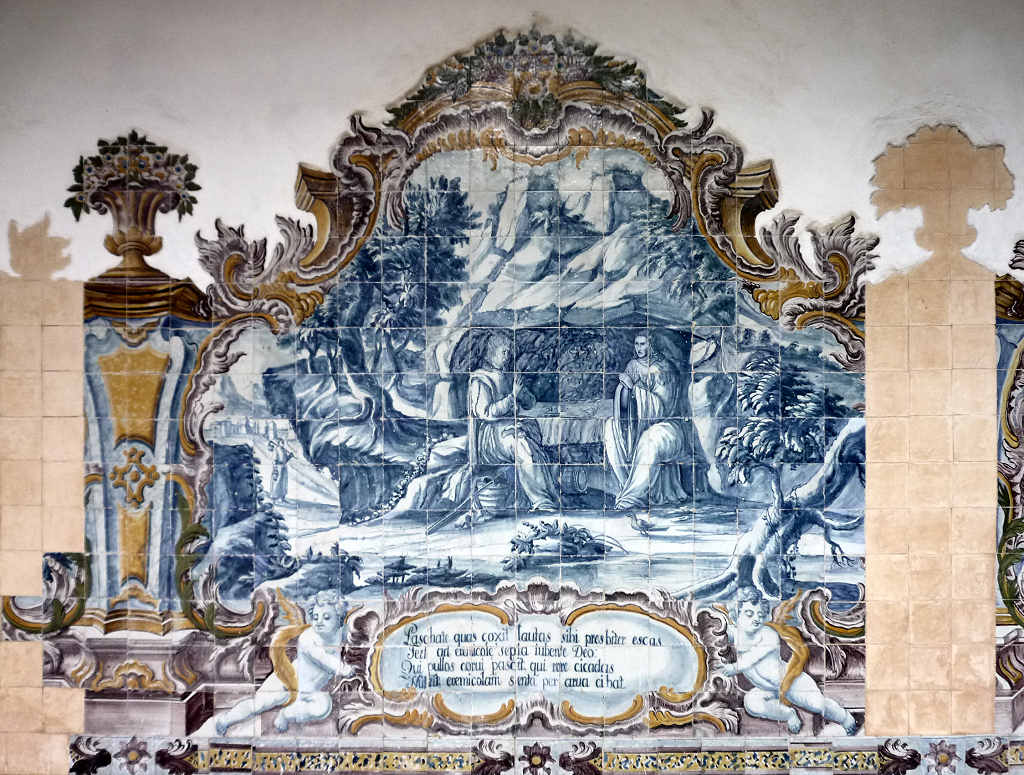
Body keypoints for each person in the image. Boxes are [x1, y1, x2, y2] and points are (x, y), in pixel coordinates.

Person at [721, 587, 858, 735]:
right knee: (751, 703)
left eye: (760, 614)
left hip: (791, 681)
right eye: (749, 613)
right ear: (736, 615)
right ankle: (789, 714)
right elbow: (719, 631)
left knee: (817, 704)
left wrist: (734, 667)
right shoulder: (736, 634)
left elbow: (753, 657)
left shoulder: (767, 634)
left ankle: (845, 718)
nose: (756, 618)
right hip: (767, 689)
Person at [214, 590, 352, 734]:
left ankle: (286, 715)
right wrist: (343, 668)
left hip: (310, 691)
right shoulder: (307, 638)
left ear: (339, 619)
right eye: (315, 617)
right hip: (285, 682)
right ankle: (226, 720)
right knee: (259, 704)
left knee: (323, 707)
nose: (319, 622)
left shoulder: (339, 633)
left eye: (327, 617)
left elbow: (353, 632)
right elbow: (323, 658)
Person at [467, 331, 558, 512]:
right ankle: (541, 501)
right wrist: (512, 397)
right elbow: (486, 413)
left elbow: (530, 404)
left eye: (509, 352)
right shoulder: (480, 379)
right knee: (522, 446)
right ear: (491, 353)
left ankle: (546, 497)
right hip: (491, 437)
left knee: (532, 448)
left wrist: (522, 393)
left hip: (508, 429)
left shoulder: (507, 376)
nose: (507, 356)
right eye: (504, 352)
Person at [603, 331, 690, 510]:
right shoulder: (633, 365)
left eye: (643, 344)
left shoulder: (663, 368)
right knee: (611, 426)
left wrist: (633, 389)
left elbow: (662, 408)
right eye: (637, 344)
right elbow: (624, 400)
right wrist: (626, 390)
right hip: (636, 421)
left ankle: (632, 498)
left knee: (650, 439)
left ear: (651, 345)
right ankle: (627, 486)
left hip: (667, 424)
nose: (639, 348)